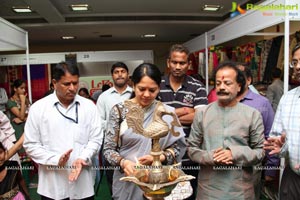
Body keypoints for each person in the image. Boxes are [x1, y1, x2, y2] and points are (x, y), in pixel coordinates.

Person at [103, 63, 186, 200]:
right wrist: (124, 163)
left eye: (152, 90)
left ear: (159, 88)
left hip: (160, 183)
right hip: (128, 180)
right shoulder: (119, 111)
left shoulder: (167, 113)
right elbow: (108, 150)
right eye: (141, 89)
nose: (146, 94)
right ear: (133, 85)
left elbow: (179, 147)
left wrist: (159, 157)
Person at [23, 62, 102, 200]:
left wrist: (83, 157)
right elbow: (30, 144)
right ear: (54, 83)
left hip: (82, 185)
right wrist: (55, 160)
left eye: (75, 83)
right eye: (67, 84)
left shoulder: (89, 107)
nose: (72, 88)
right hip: (52, 187)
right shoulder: (39, 108)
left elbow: (95, 139)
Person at [188, 62, 265, 200]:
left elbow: (260, 152)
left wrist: (234, 153)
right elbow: (191, 150)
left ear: (239, 86)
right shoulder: (202, 113)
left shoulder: (252, 115)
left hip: (240, 191)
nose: (221, 87)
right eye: (218, 83)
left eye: (227, 83)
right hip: (208, 191)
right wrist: (212, 157)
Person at [158, 44, 207, 200]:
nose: (178, 66)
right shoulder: (156, 85)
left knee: (188, 196)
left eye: (182, 63)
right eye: (174, 62)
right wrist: (186, 111)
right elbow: (151, 118)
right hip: (160, 156)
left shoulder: (197, 87)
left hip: (188, 157)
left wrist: (166, 115)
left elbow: (200, 119)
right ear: (168, 62)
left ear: (189, 64)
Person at [236, 63, 278, 199]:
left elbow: (271, 135)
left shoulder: (262, 103)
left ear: (248, 80)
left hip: (252, 166)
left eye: (240, 77)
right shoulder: (224, 101)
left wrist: (271, 168)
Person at [264, 43, 300, 200]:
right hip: (292, 178)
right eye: (295, 62)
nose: (297, 67)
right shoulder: (287, 99)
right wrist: (280, 146)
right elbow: (277, 139)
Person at [96, 62, 132, 194]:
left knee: (135, 180)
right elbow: (98, 121)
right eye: (116, 72)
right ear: (112, 76)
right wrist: (115, 125)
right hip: (111, 146)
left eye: (123, 71)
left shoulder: (135, 94)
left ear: (127, 74)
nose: (120, 74)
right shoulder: (104, 97)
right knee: (113, 183)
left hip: (133, 145)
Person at [6, 79, 31, 186]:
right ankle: (23, 182)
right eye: (21, 88)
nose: (23, 90)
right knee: (21, 158)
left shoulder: (25, 100)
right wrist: (22, 100)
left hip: (27, 129)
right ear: (15, 89)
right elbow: (21, 115)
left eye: (24, 88)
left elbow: (31, 116)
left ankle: (28, 181)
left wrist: (22, 119)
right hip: (18, 131)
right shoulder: (10, 102)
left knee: (28, 156)